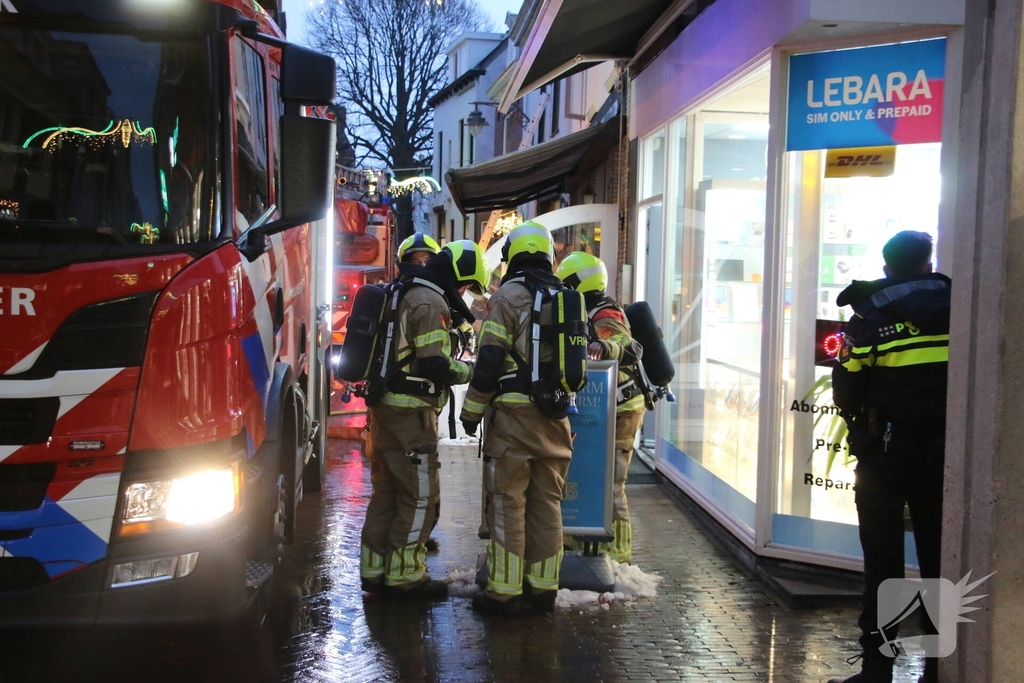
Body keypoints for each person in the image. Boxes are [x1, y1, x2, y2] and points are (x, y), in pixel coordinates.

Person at [828, 231, 950, 683]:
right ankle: (939, 668)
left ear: (886, 268)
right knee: (942, 561)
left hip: (884, 454)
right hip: (943, 456)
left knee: (882, 563)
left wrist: (863, 433)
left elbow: (848, 386)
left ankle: (879, 669)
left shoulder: (871, 316)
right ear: (927, 263)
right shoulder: (960, 304)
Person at [359, 240, 490, 599]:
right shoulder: (431, 300)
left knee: (387, 491)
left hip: (387, 407)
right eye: (465, 286)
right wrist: (471, 371)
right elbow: (435, 363)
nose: (463, 293)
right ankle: (405, 576)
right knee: (419, 496)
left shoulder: (403, 289)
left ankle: (374, 570)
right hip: (411, 413)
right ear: (457, 275)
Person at [460, 221, 573, 615]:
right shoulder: (566, 295)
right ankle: (543, 590)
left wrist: (471, 411)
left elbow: (489, 357)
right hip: (557, 417)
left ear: (513, 255)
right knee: (548, 504)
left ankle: (504, 593)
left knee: (509, 502)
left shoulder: (508, 295)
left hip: (514, 417)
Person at [556, 251, 645, 564]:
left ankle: (618, 556)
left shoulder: (604, 312)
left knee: (612, 483)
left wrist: (607, 346)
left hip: (620, 409)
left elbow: (630, 348)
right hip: (603, 407)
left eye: (565, 282)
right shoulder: (583, 308)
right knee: (583, 474)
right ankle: (568, 540)